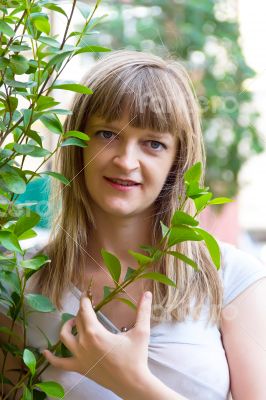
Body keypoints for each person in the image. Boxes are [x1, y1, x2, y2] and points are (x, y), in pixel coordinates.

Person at [21, 51, 266, 399]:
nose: (126, 161)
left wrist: (132, 382)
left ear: (176, 161)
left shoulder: (233, 278)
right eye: (107, 134)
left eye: (153, 143)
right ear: (77, 145)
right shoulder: (24, 279)